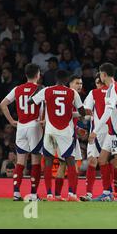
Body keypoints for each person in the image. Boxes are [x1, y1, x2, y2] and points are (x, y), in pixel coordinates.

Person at [31, 69, 86, 201]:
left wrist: (38, 90)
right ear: (67, 80)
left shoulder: (47, 90)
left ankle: (50, 194)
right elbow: (82, 112)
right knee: (70, 162)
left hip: (50, 131)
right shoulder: (72, 93)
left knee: (48, 162)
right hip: (65, 132)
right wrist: (71, 113)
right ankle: (72, 194)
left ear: (55, 78)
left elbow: (31, 102)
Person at [88, 63, 117, 202]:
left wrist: (95, 130)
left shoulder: (113, 89)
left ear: (104, 74)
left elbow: (108, 111)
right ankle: (107, 193)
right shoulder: (116, 86)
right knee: (102, 159)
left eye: (100, 74)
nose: (100, 76)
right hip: (113, 131)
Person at [0, 63, 43, 201]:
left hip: (21, 127)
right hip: (35, 125)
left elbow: (3, 104)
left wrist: (12, 121)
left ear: (26, 75)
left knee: (20, 161)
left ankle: (16, 193)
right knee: (35, 161)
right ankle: (34, 194)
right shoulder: (41, 89)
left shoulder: (17, 89)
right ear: (38, 75)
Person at [53, 75, 85, 201]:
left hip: (67, 133)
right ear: (70, 84)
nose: (79, 85)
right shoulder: (70, 96)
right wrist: (85, 113)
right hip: (67, 135)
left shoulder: (67, 96)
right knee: (73, 165)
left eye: (81, 83)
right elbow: (66, 115)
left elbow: (65, 117)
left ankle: (57, 195)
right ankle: (72, 194)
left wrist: (77, 129)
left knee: (62, 164)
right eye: (77, 83)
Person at [79, 73, 106, 202]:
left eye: (101, 82)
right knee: (92, 161)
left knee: (112, 162)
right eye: (97, 83)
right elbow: (87, 113)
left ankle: (112, 192)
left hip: (111, 133)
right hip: (96, 133)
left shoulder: (114, 92)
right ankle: (89, 194)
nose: (99, 85)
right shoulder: (93, 93)